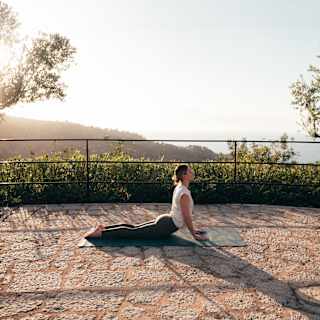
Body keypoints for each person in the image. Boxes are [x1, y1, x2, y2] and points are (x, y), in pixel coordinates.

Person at [83, 164, 209, 241]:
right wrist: (194, 234)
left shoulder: (180, 188)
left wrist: (194, 230)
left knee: (134, 228)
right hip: (167, 225)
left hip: (166, 220)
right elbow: (186, 217)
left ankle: (103, 228)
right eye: (190, 171)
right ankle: (101, 233)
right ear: (185, 175)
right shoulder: (184, 194)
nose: (193, 173)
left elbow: (183, 215)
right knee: (134, 232)